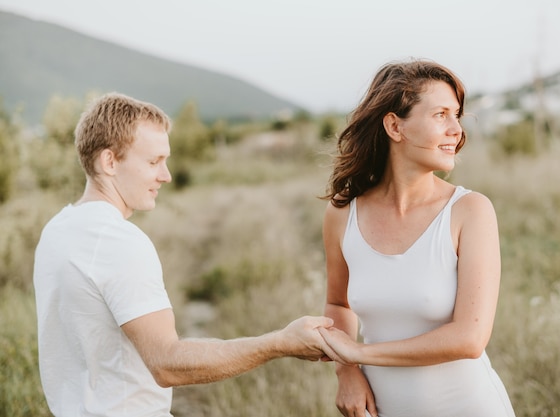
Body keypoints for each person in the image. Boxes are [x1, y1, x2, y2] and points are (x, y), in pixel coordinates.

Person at [33, 92, 333, 417]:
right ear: (109, 162)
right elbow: (168, 363)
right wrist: (279, 342)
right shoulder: (119, 241)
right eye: (153, 161)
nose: (166, 175)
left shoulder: (57, 229)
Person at [318, 60, 516, 417]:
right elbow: (338, 304)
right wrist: (346, 372)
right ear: (395, 126)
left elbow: (469, 339)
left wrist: (358, 355)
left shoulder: (470, 211)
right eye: (441, 114)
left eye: (456, 115)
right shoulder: (342, 215)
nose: (456, 130)